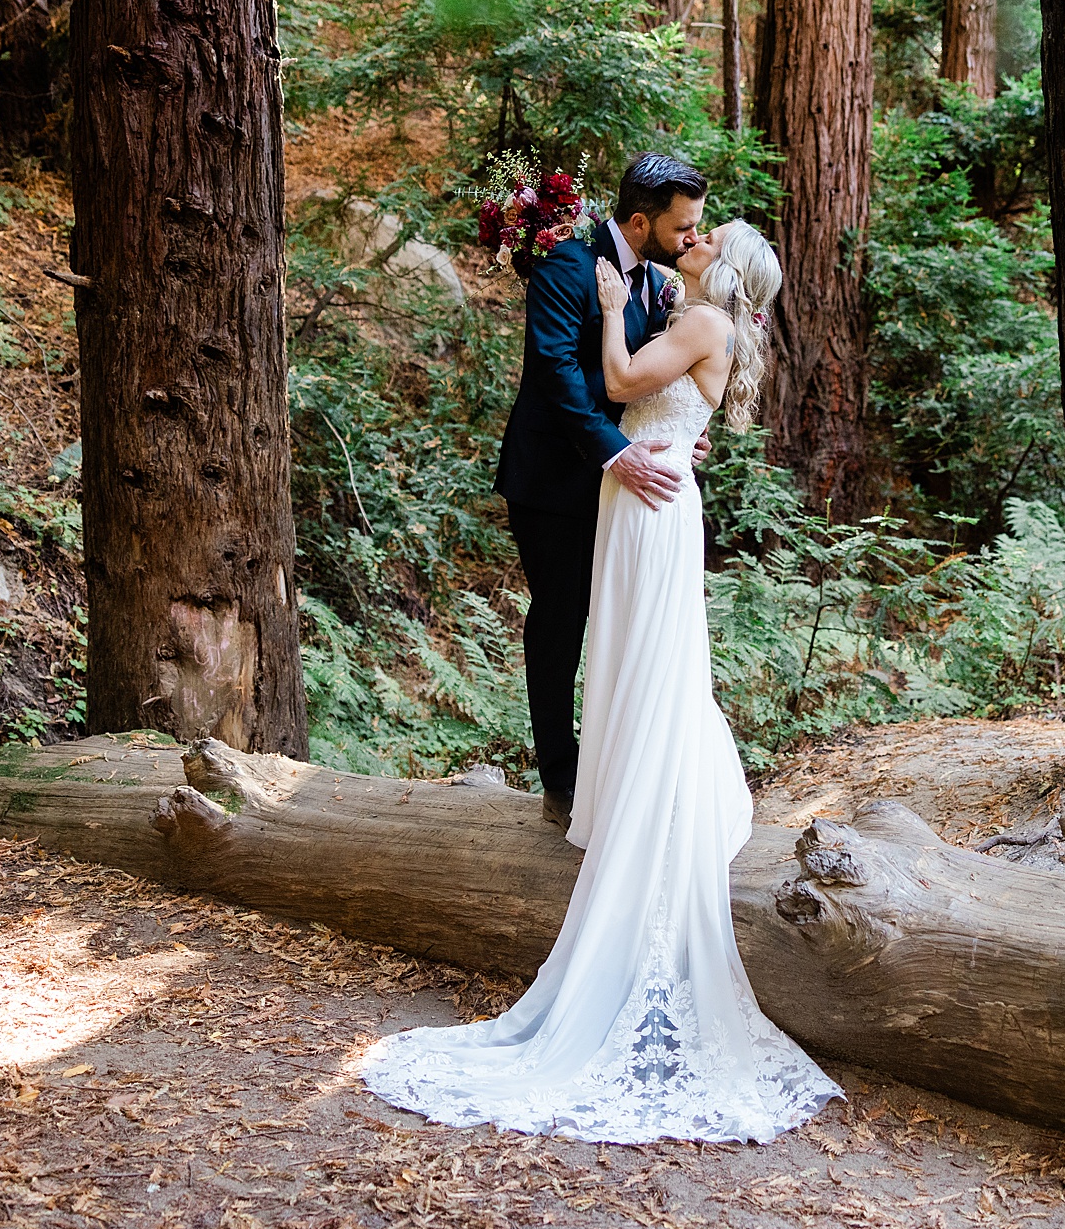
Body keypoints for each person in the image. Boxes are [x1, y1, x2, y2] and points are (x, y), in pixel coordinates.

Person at [360, 217, 841, 1144]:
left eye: (712, 236)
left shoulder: (697, 320)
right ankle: (627, 788)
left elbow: (620, 383)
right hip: (644, 493)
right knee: (631, 657)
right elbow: (654, 404)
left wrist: (616, 308)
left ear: (727, 266)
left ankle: (652, 802)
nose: (696, 239)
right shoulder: (697, 314)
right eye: (696, 226)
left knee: (652, 661)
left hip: (650, 502)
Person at [493, 153, 707, 828]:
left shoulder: (657, 283)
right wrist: (617, 451)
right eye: (682, 228)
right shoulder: (567, 266)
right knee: (561, 621)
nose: (692, 240)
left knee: (621, 621)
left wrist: (672, 433)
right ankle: (561, 777)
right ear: (639, 221)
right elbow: (556, 374)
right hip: (555, 482)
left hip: (622, 487)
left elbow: (642, 378)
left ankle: (615, 774)